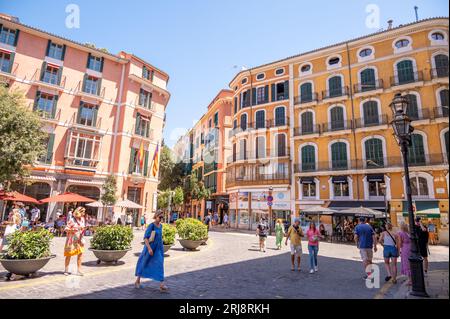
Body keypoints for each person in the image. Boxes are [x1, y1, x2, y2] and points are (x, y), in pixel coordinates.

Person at [135, 211, 168, 292]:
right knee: (144, 263)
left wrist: (161, 248)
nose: (161, 219)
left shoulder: (161, 226)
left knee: (160, 264)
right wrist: (149, 248)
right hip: (150, 248)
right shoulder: (151, 226)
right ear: (156, 216)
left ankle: (161, 284)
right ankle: (138, 280)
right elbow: (146, 238)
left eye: (162, 217)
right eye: (160, 217)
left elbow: (160, 238)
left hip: (158, 249)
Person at [63, 207, 86, 276]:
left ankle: (79, 270)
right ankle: (66, 270)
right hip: (72, 240)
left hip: (79, 239)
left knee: (80, 254)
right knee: (69, 255)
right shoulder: (72, 220)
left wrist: (82, 231)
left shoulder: (82, 219)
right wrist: (73, 230)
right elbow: (66, 229)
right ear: (79, 212)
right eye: (83, 212)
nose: (84, 213)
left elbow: (82, 228)